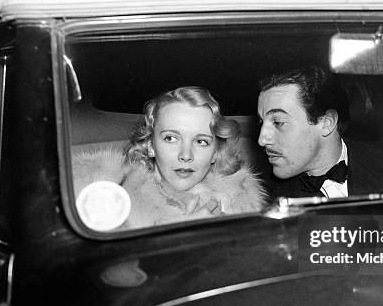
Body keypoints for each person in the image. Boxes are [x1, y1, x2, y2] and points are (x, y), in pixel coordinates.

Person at [73, 86, 266, 228]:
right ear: (150, 145)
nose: (186, 155)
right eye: (171, 138)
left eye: (201, 142)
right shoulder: (105, 196)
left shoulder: (238, 207)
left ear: (215, 153)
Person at [257, 66, 383, 199]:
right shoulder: (265, 201)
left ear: (326, 123)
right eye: (261, 122)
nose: (262, 139)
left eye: (279, 122)